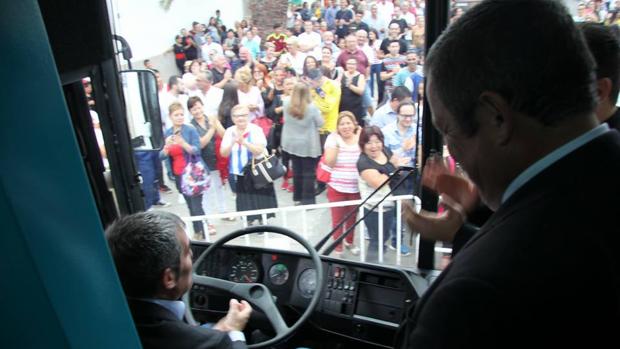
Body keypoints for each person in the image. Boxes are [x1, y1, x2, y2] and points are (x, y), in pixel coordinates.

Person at [396, 0, 620, 347]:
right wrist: (475, 212)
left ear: (496, 117)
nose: (451, 151)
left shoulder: (474, 301)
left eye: (448, 130)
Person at [105, 211, 251, 349]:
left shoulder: (104, 321)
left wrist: (218, 330)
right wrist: (233, 332)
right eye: (187, 251)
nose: (192, 255)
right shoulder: (215, 343)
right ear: (169, 278)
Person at [357, 126, 409, 262]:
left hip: (389, 206)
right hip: (373, 209)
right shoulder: (363, 162)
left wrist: (395, 166)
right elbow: (379, 183)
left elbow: (396, 161)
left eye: (377, 141)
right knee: (376, 240)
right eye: (369, 142)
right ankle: (371, 265)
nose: (374, 146)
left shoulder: (385, 150)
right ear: (362, 145)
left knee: (384, 236)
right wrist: (394, 168)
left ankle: (380, 257)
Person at [220, 104, 277, 226]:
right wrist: (231, 143)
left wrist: (244, 143)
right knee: (245, 197)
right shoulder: (229, 131)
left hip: (258, 170)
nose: (240, 119)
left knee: (261, 195)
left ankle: (263, 219)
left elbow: (259, 150)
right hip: (241, 171)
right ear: (233, 118)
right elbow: (223, 153)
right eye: (237, 116)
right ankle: (249, 218)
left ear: (248, 116)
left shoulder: (255, 129)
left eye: (243, 115)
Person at [160, 102, 206, 240]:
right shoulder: (167, 133)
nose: (179, 117)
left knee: (196, 204)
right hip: (178, 173)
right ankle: (198, 229)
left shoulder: (190, 130)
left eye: (181, 114)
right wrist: (167, 146)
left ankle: (201, 230)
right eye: (176, 115)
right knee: (190, 204)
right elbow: (161, 156)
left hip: (193, 174)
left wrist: (183, 144)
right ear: (170, 116)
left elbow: (197, 150)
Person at [324, 112, 362, 256]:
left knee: (352, 218)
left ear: (354, 124)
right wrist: (336, 144)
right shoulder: (332, 139)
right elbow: (329, 162)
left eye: (348, 123)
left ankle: (349, 242)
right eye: (342, 124)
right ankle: (338, 247)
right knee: (337, 219)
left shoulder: (360, 137)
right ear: (337, 127)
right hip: (336, 186)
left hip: (355, 187)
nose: (346, 126)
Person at [281, 83, 324, 205]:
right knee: (308, 173)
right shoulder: (311, 107)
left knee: (297, 171)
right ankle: (308, 201)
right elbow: (320, 123)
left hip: (291, 142)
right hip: (307, 144)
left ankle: (297, 197)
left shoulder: (286, 102)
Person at [339, 57, 366, 126]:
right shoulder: (342, 74)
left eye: (353, 64)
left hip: (355, 107)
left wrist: (350, 86)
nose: (350, 66)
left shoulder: (360, 76)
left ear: (356, 65)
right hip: (343, 106)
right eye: (348, 64)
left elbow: (361, 91)